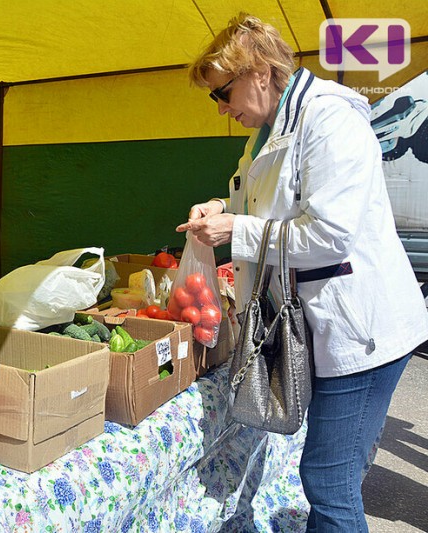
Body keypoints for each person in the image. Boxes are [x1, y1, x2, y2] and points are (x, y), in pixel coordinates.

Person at [177, 13, 428, 532]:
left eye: (222, 93)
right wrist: (221, 204)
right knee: (331, 475)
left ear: (259, 73)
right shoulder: (271, 128)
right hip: (325, 325)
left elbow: (329, 234)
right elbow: (274, 202)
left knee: (329, 482)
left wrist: (235, 230)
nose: (222, 109)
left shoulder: (330, 120)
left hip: (361, 331)